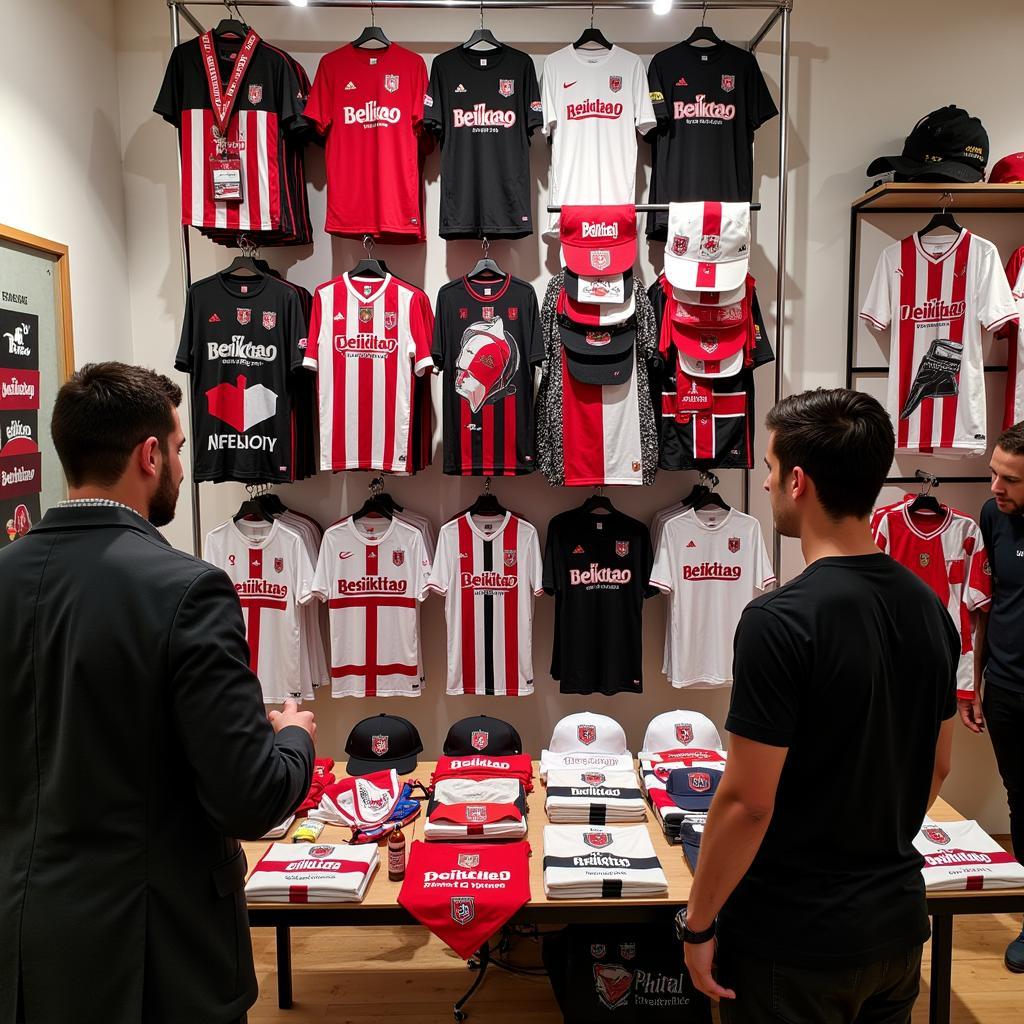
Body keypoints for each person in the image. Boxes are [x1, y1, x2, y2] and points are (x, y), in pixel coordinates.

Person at [0, 362, 316, 1024]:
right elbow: (249, 798)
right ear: (148, 456)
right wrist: (293, 737)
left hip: (23, 946)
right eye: (176, 449)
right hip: (157, 958)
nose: (179, 464)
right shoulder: (187, 590)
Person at [681, 388, 958, 1023]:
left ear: (798, 481)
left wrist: (697, 926)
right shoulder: (929, 609)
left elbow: (749, 802)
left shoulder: (779, 621)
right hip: (895, 925)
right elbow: (938, 767)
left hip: (796, 942)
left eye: (772, 472)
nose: (769, 485)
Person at [962, 421, 1024, 972]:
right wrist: (976, 685)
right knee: (1020, 802)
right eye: (993, 474)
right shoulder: (993, 517)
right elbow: (987, 607)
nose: (995, 489)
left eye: (1010, 480)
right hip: (1006, 688)